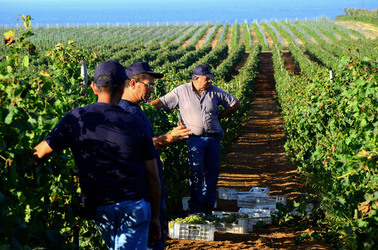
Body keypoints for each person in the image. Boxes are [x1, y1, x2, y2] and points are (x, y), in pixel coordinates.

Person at [32, 60, 161, 249]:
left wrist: (12, 169)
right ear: (123, 87)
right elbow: (153, 176)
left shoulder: (76, 118)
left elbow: (40, 152)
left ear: (94, 86)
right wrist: (156, 216)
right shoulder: (136, 122)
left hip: (100, 206)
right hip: (134, 204)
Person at [151, 64, 241, 214]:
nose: (210, 82)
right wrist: (143, 109)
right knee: (196, 173)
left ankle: (208, 207)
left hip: (213, 138)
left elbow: (235, 103)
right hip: (194, 140)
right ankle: (196, 207)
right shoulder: (181, 91)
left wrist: (220, 117)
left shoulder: (215, 91)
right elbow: (162, 102)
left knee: (212, 174)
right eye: (207, 79)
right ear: (197, 79)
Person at [119, 61, 190, 250]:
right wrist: (169, 138)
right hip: (143, 191)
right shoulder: (126, 111)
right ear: (133, 83)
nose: (152, 90)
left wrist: (170, 136)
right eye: (149, 85)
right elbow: (136, 147)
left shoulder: (135, 109)